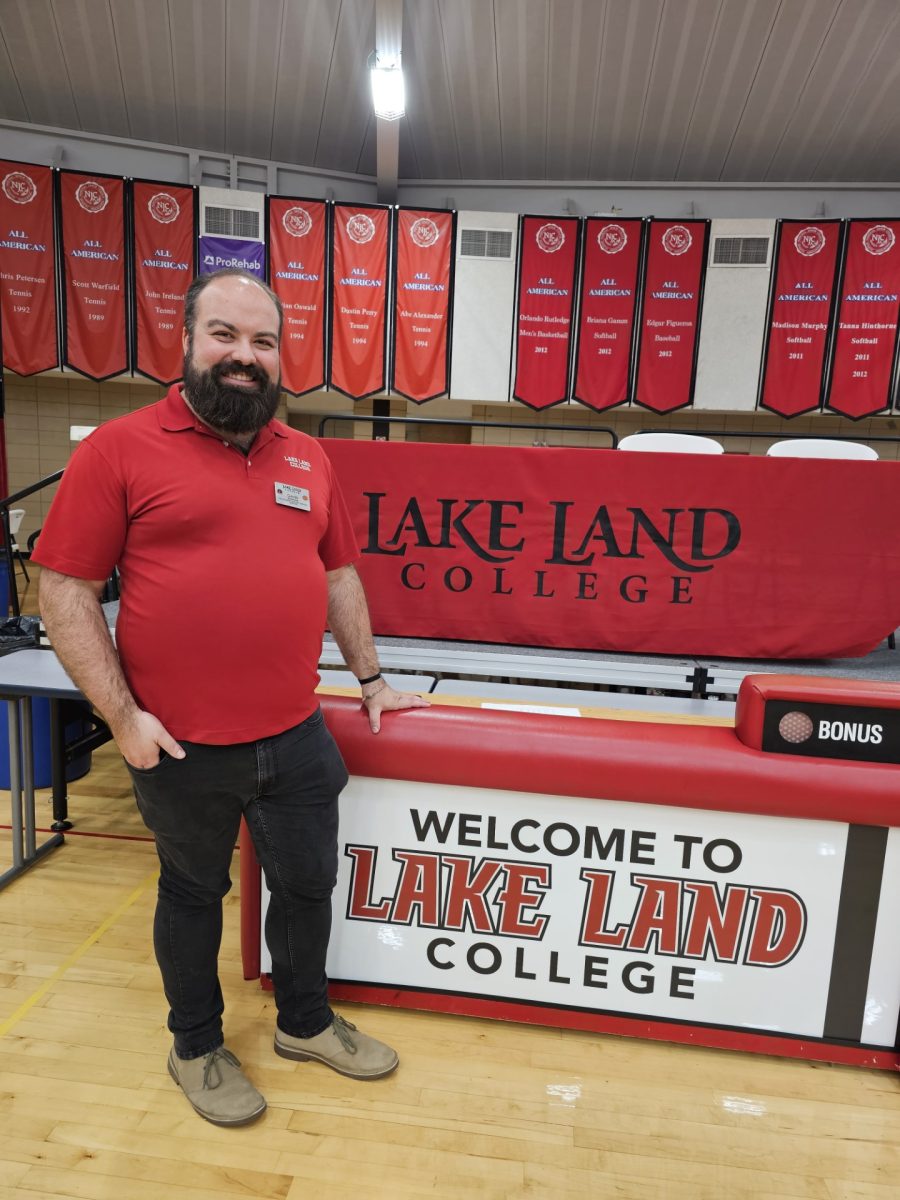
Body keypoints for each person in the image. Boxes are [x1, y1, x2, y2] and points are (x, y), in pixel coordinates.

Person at [34, 268, 429, 1128]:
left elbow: (339, 572)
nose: (244, 356)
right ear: (185, 340)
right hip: (178, 745)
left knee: (308, 884)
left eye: (262, 341)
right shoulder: (120, 449)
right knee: (190, 893)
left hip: (293, 734)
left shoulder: (305, 455)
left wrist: (370, 678)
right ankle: (197, 1047)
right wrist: (123, 718)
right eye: (225, 335)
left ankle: (306, 1024)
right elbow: (62, 589)